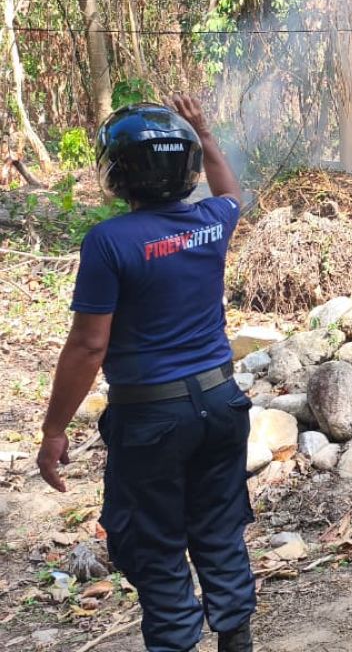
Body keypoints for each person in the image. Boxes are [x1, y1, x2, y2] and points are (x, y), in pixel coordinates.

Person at [36, 97, 255, 652]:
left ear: (118, 172)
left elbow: (89, 346)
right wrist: (205, 134)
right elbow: (232, 194)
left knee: (153, 548)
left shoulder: (110, 242)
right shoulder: (212, 221)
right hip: (222, 404)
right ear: (186, 169)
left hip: (151, 419)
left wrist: (53, 429)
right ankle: (237, 642)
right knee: (219, 532)